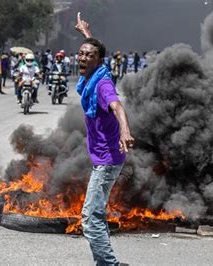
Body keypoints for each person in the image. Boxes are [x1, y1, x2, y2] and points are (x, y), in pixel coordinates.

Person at [75, 12, 134, 265]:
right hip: (103, 157)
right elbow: (95, 51)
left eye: (89, 55)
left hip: (108, 159)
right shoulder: (95, 73)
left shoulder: (102, 84)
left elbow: (117, 106)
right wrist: (87, 34)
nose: (83, 57)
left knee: (90, 218)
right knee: (94, 215)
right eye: (81, 53)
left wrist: (125, 131)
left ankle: (109, 264)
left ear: (98, 61)